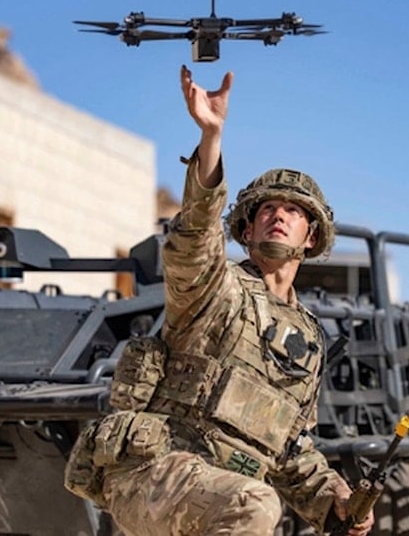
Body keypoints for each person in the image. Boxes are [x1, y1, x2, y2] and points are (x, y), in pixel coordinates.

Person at [92, 66, 374, 536]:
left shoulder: (307, 337)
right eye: (267, 209)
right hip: (153, 473)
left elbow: (292, 451)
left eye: (293, 211)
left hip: (221, 490)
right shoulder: (215, 290)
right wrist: (211, 138)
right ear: (246, 231)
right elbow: (193, 242)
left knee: (255, 502)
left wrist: (337, 499)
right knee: (255, 505)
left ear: (312, 237)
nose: (278, 216)